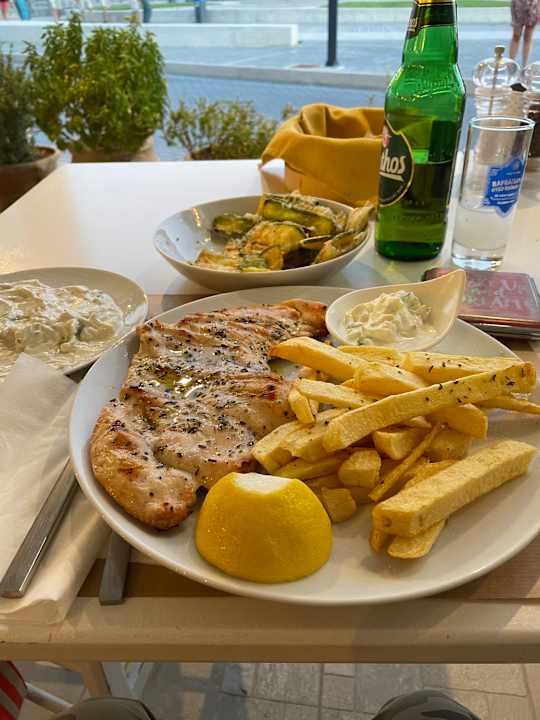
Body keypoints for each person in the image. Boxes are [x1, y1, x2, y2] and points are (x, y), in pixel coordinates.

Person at [510, 0, 540, 67]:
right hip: (518, 3)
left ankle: (525, 65)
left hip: (533, 4)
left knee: (528, 36)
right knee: (516, 35)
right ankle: (511, 63)